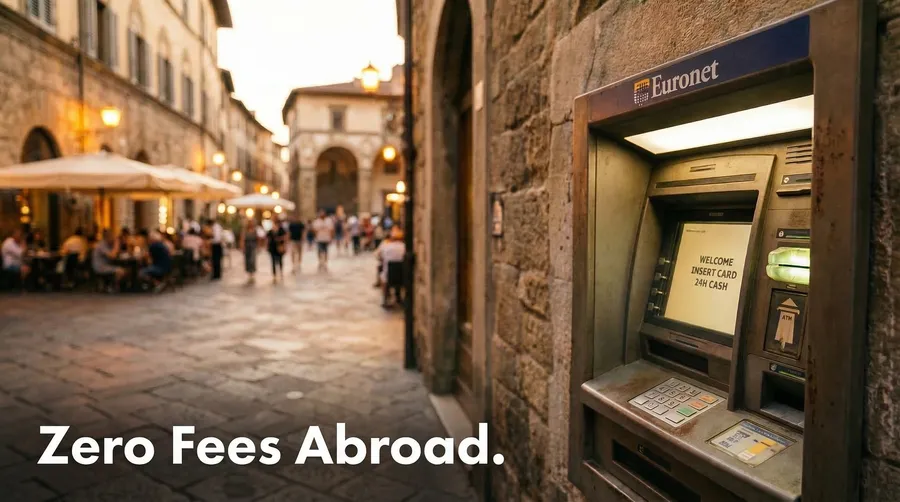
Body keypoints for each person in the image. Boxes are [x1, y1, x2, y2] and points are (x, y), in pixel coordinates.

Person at [376, 226, 406, 307]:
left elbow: (379, 256)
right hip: (403, 276)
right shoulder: (404, 247)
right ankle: (398, 296)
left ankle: (385, 299)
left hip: (389, 275)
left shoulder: (386, 246)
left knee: (383, 275)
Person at [241, 219, 261, 283]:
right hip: (247, 247)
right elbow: (242, 239)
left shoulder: (255, 230)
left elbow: (258, 239)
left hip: (253, 247)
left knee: (252, 260)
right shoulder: (245, 231)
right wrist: (242, 247)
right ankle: (249, 274)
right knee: (248, 260)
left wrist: (258, 247)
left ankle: (252, 273)